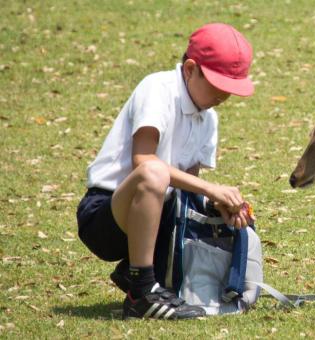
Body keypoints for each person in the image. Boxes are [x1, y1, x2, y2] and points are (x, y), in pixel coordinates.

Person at [76, 23, 254, 320]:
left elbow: (188, 187)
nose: (224, 94)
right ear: (189, 69)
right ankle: (141, 292)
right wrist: (212, 188)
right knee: (154, 173)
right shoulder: (158, 88)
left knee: (181, 192)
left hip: (158, 218)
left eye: (230, 88)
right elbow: (143, 162)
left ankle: (140, 273)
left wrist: (218, 205)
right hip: (105, 215)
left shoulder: (208, 119)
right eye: (217, 83)